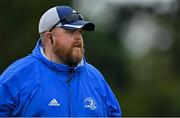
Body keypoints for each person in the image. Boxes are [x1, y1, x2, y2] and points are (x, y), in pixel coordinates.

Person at [0, 5, 121, 117]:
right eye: (71, 31)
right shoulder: (18, 75)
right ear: (50, 38)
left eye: (80, 32)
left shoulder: (96, 78)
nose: (78, 37)